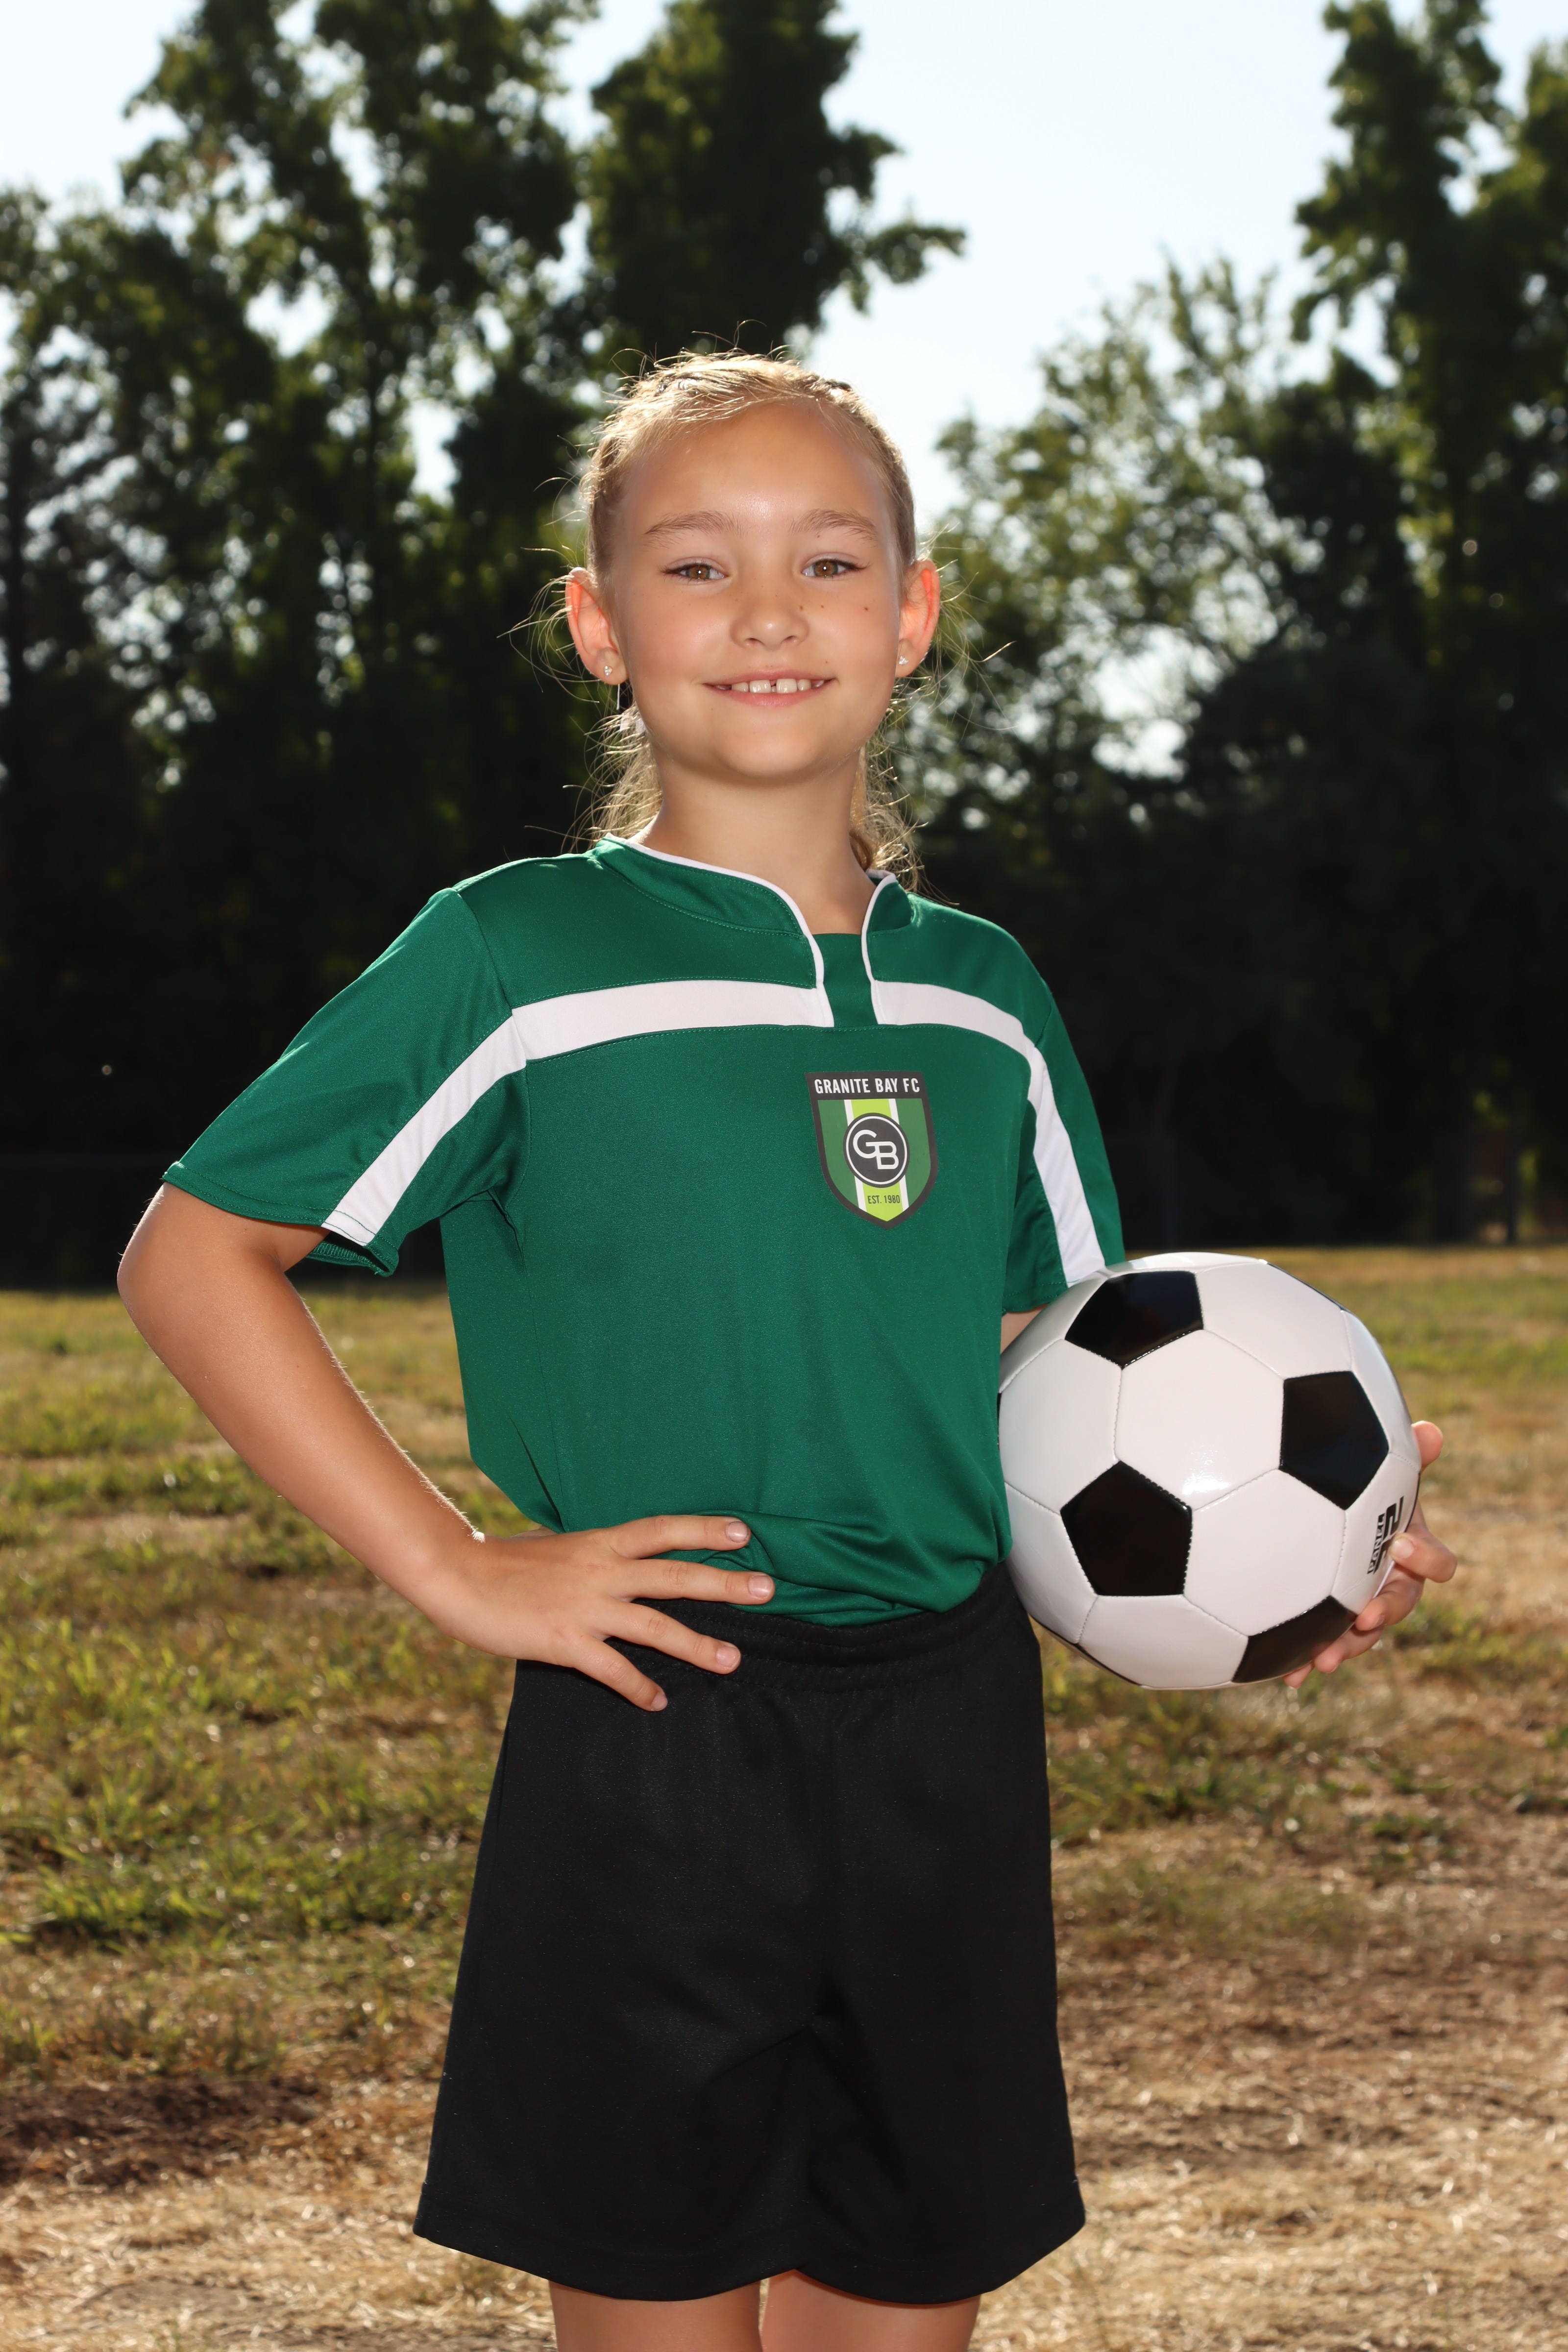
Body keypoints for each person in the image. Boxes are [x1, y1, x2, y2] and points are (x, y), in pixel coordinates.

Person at [118, 355, 1456, 2352]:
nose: (767, 610)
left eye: (828, 561)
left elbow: (1080, 1371)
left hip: (946, 1734)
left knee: (903, 2309)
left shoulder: (985, 996)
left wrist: (1293, 1560)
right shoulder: (517, 955)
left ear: (910, 616)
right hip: (656, 1716)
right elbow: (196, 1254)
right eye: (696, 563)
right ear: (600, 627)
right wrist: (454, 1565)